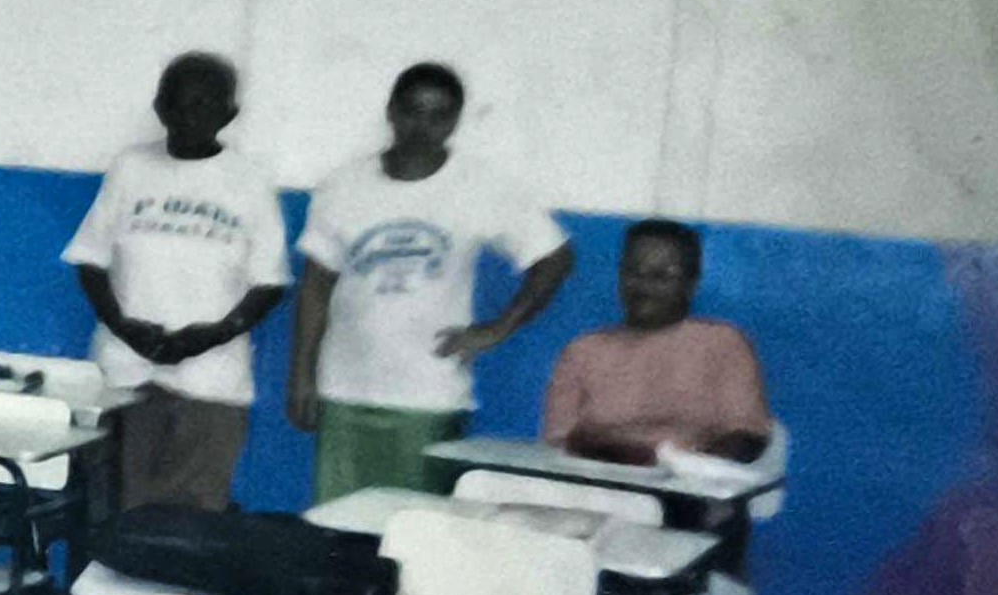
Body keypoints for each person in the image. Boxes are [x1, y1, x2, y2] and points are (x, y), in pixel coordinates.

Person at [288, 62, 574, 499]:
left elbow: (554, 256)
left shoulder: (480, 186)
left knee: (416, 533)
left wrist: (499, 327)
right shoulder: (343, 185)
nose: (422, 126)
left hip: (429, 395)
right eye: (412, 111)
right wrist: (302, 374)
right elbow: (315, 286)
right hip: (344, 390)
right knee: (336, 530)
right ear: (391, 112)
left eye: (438, 115)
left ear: (455, 121)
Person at [64, 53, 291, 511]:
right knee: (112, 515)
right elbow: (90, 261)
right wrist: (125, 327)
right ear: (159, 106)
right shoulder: (131, 167)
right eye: (179, 103)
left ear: (229, 113)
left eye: (205, 104)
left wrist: (211, 335)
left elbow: (270, 283)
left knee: (188, 524)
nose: (190, 116)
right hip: (124, 373)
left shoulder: (250, 180)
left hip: (210, 381)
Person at [541, 219, 774, 464]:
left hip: (692, 488)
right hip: (598, 486)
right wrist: (640, 462)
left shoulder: (723, 344)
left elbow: (748, 436)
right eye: (634, 272)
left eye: (661, 275)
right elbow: (560, 442)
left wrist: (688, 470)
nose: (644, 286)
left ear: (691, 284)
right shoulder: (582, 352)